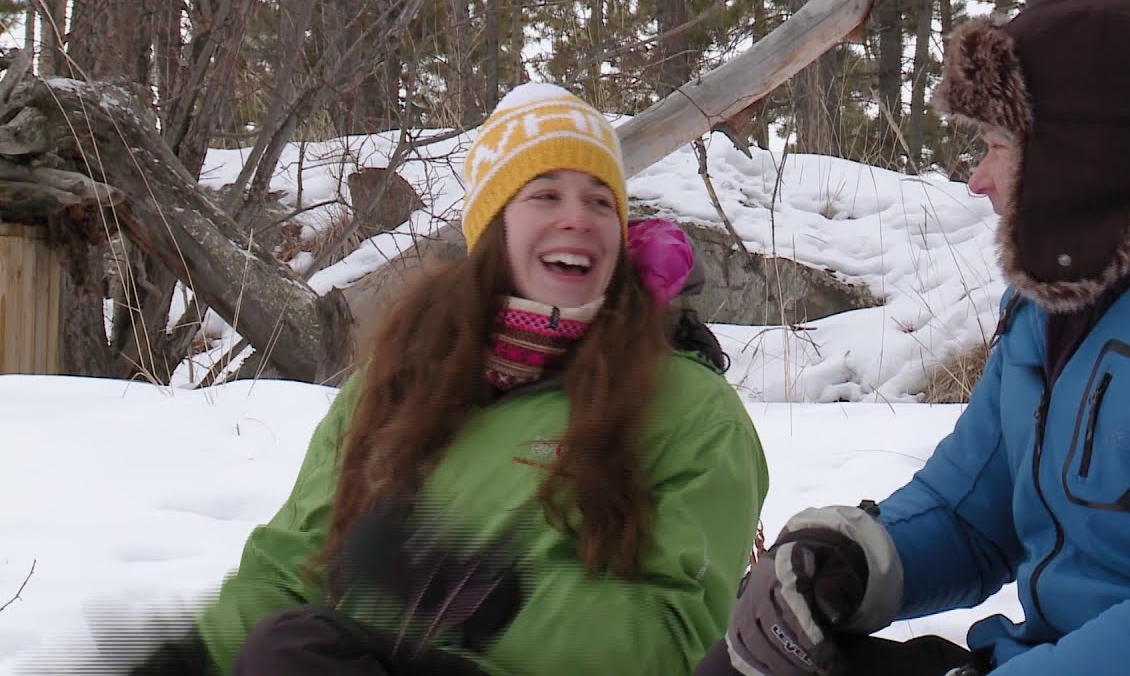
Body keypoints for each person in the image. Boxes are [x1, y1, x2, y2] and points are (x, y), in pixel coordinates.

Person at [698, 0, 1130, 676]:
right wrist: (848, 561)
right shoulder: (1060, 296)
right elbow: (972, 516)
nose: (977, 179)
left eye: (999, 144)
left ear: (1088, 160)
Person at [115, 84, 769, 675]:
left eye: (601, 200)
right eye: (545, 194)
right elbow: (294, 567)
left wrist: (474, 599)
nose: (579, 217)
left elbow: (685, 647)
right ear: (493, 231)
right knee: (290, 650)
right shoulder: (400, 382)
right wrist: (194, 660)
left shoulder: (690, 411)